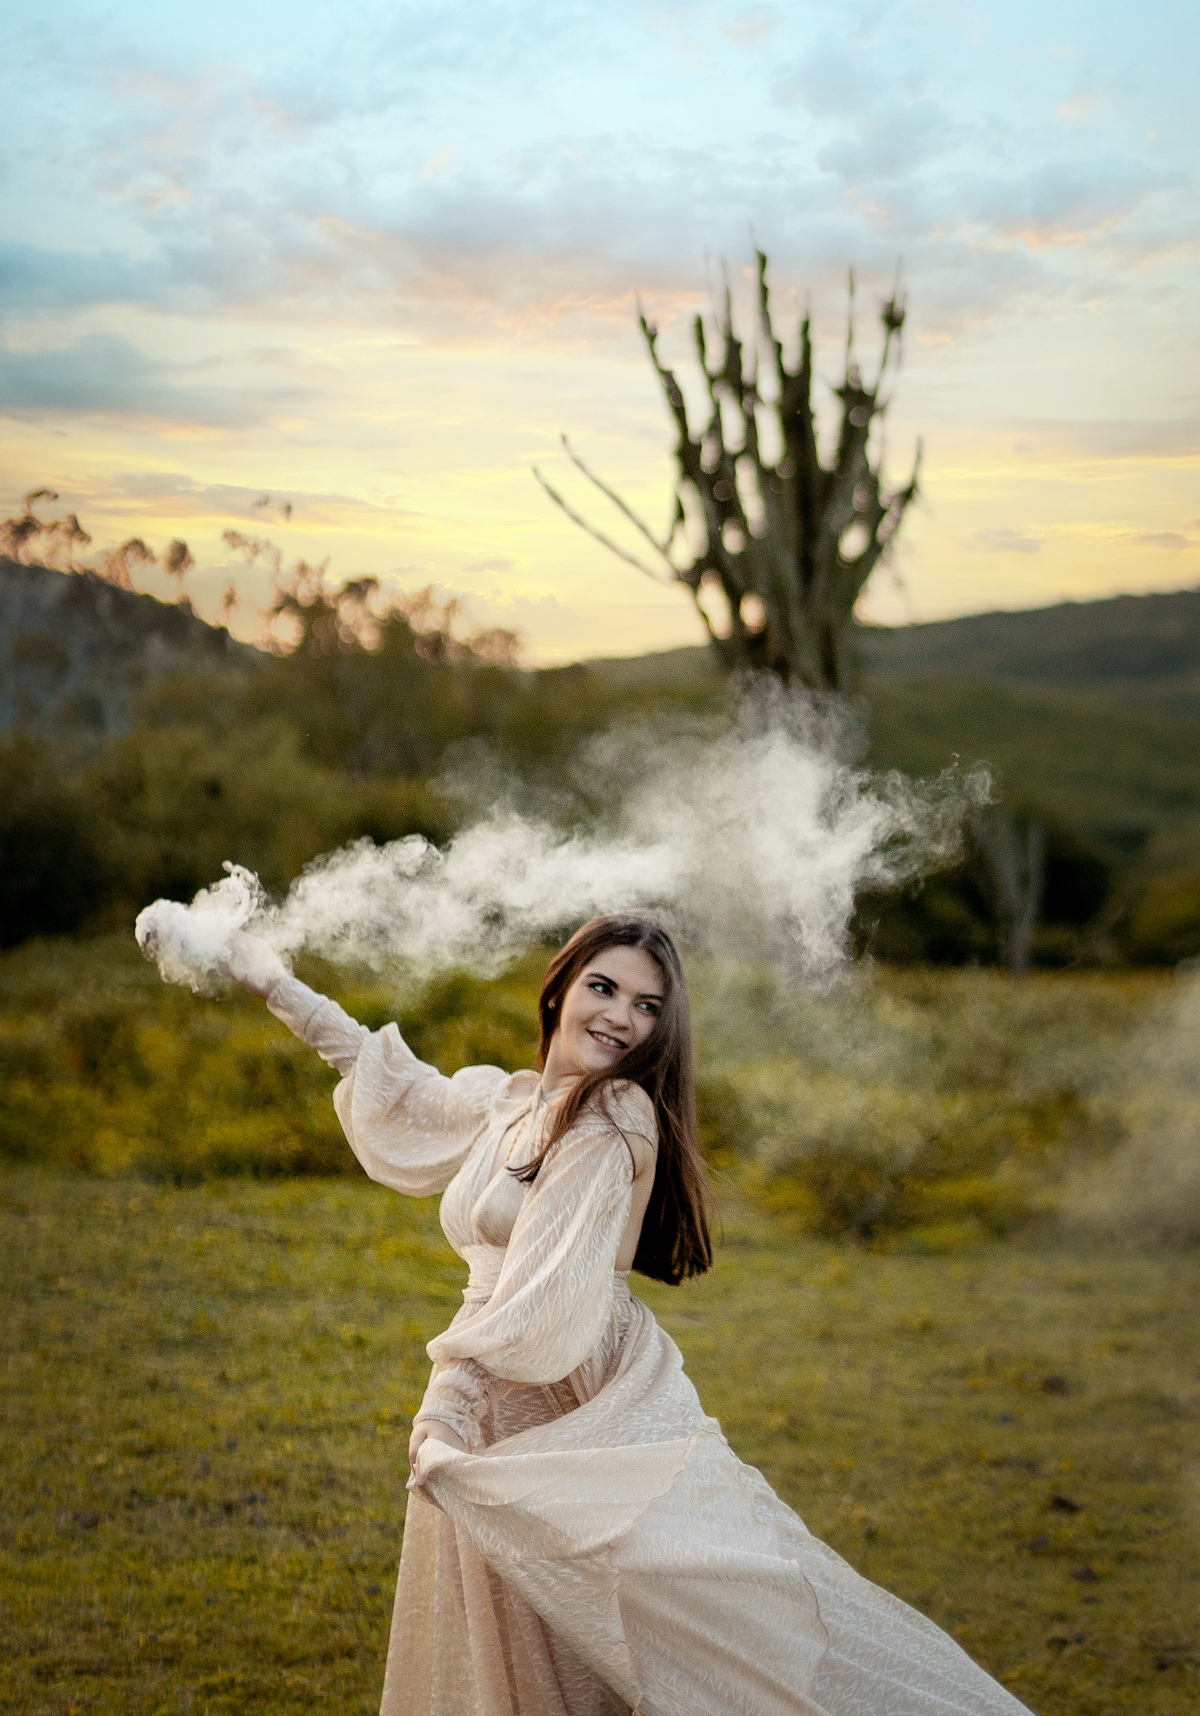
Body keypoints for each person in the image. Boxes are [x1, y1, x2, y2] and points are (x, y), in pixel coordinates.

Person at [217, 911, 1031, 1716]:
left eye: (647, 1006)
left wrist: (449, 1405)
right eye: (603, 988)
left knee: (628, 1626)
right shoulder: (515, 1101)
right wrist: (269, 980)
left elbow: (540, 1284)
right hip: (503, 1366)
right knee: (527, 1618)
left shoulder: (611, 1116)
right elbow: (394, 1079)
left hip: (568, 1373)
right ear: (559, 990)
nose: (621, 1017)